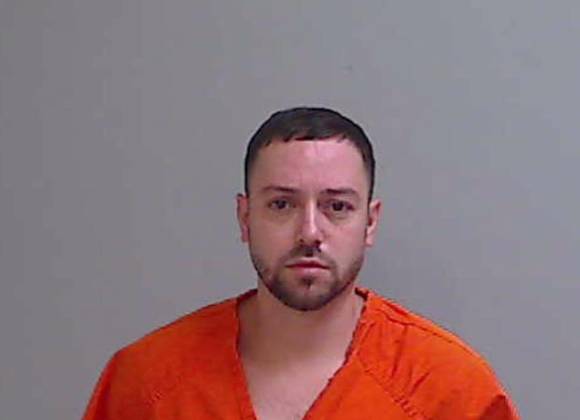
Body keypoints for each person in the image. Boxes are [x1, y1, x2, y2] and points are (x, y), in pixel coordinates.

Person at [83, 107, 519, 419]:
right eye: (281, 204)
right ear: (245, 218)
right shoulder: (146, 384)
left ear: (370, 222)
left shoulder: (449, 390)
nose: (309, 231)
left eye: (337, 207)